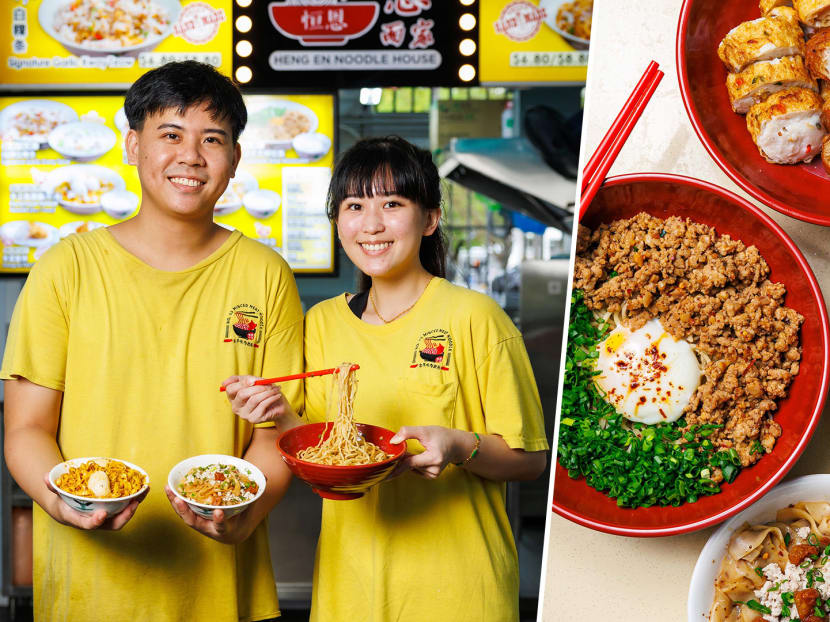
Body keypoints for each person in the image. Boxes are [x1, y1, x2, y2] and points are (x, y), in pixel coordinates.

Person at [1, 61, 303, 622]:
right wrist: (63, 505)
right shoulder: (66, 268)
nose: (191, 156)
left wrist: (248, 511)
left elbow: (277, 432)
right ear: (133, 145)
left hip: (219, 590)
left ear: (235, 159)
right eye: (170, 134)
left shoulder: (265, 274)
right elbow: (26, 429)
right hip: (89, 590)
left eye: (212, 139)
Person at [223, 136, 549, 621]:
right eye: (354, 206)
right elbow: (317, 448)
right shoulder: (322, 322)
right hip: (349, 586)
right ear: (337, 222)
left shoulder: (476, 318)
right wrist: (277, 413)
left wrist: (459, 446)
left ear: (430, 218)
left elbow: (531, 460)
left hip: (459, 590)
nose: (371, 224)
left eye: (392, 204)